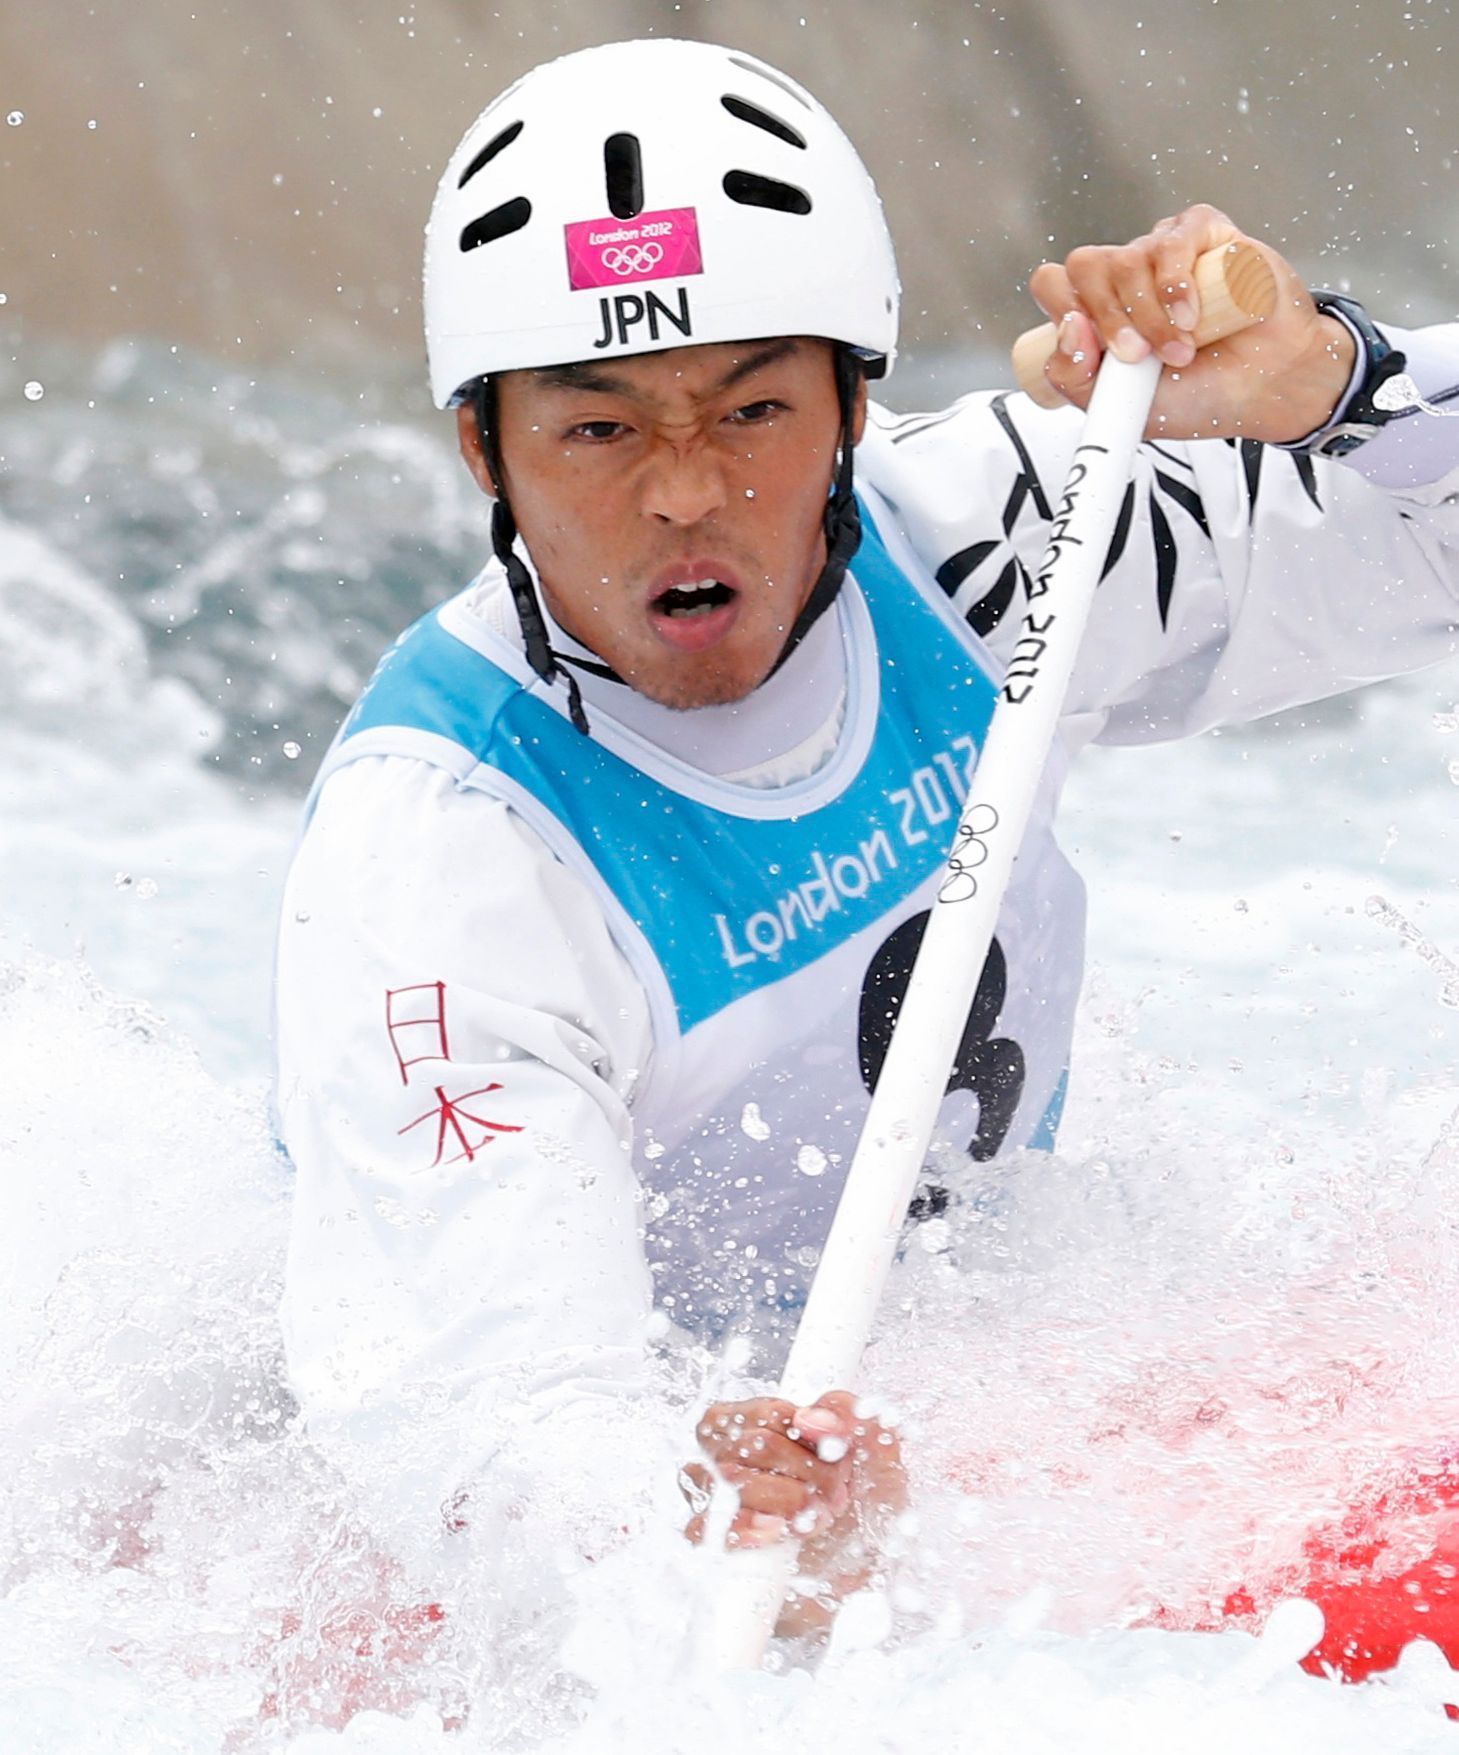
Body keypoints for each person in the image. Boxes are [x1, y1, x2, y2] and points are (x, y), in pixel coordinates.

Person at [275, 37, 1459, 1638]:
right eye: (600, 431)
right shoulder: (446, 867)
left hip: (993, 1376)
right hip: (602, 1539)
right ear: (485, 449)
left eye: (752, 408)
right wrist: (691, 1513)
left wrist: (1334, 390)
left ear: (849, 403)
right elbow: (493, 1446)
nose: (687, 493)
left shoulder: (998, 544)